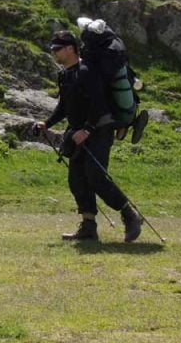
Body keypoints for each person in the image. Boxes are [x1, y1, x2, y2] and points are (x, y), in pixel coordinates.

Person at [36, 31, 142, 242]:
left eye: (57, 49)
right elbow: (64, 106)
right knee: (76, 179)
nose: (54, 53)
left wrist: (88, 130)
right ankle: (88, 227)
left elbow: (99, 103)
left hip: (98, 131)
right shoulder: (65, 75)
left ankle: (130, 215)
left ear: (70, 48)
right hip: (77, 133)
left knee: (96, 176)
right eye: (53, 49)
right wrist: (46, 123)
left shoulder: (87, 70)